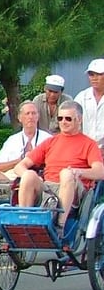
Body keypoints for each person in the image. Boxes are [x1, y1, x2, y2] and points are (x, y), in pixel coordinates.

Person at [14, 101, 104, 237]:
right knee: (28, 176)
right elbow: (19, 166)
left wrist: (79, 172)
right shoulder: (51, 141)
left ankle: (59, 226)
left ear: (79, 120)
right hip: (48, 188)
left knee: (66, 173)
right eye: (60, 118)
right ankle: (24, 222)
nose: (63, 122)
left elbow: (100, 172)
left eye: (68, 118)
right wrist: (31, 175)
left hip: (73, 188)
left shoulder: (89, 144)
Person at [0, 101, 52, 184]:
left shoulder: (47, 138)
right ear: (20, 118)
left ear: (38, 116)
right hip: (11, 177)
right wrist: (19, 160)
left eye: (33, 113)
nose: (30, 117)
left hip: (37, 177)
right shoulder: (12, 140)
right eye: (27, 113)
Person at [75, 58, 104, 148]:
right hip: (83, 147)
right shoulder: (81, 97)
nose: (94, 78)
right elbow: (73, 122)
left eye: (99, 74)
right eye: (91, 74)